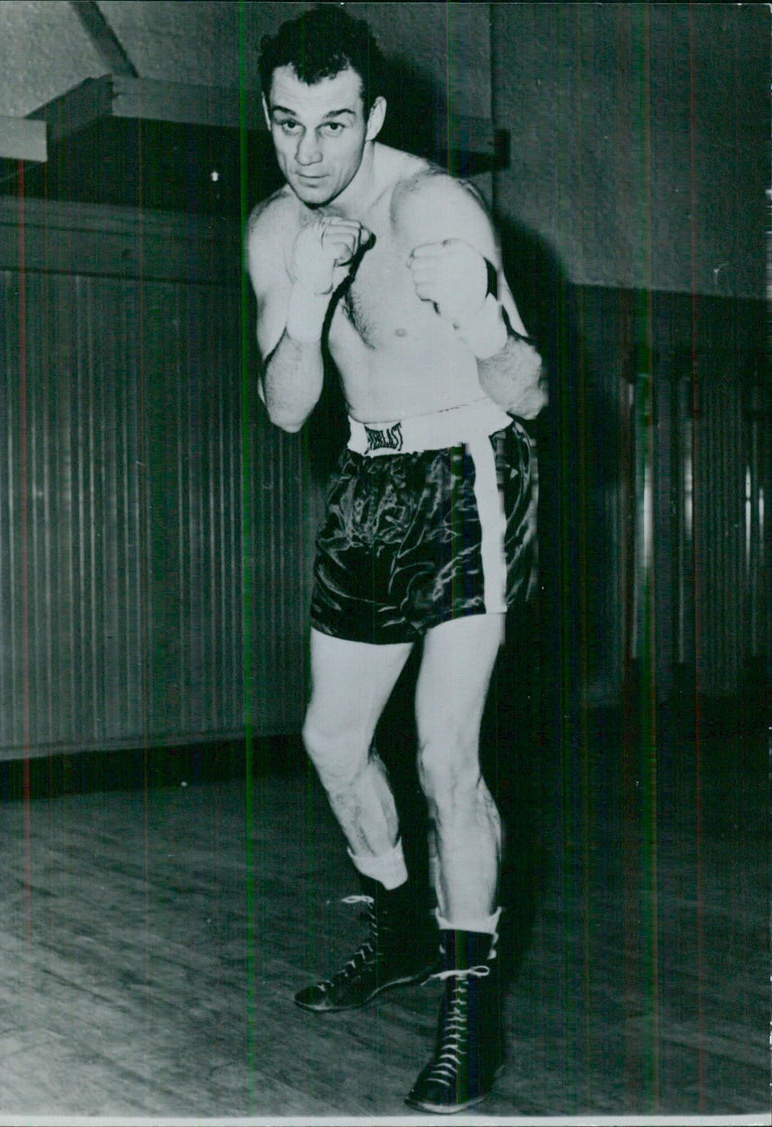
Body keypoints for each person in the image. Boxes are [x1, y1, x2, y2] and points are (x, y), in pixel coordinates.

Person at [246, 5, 546, 1114]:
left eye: (333, 126)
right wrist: (313, 294)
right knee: (329, 740)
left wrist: (474, 321)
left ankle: (469, 1003)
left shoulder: (432, 206)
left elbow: (531, 391)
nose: (310, 154)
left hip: (467, 472)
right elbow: (287, 410)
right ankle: (405, 920)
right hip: (366, 487)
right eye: (288, 126)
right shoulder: (277, 229)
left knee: (441, 757)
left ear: (372, 116)